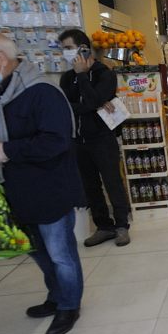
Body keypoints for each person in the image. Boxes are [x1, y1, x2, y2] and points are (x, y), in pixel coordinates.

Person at [0, 29, 85, 334]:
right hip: (14, 189)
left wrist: (6, 150)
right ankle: (56, 295)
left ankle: (69, 305)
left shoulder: (42, 92)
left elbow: (57, 141)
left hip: (49, 187)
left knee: (60, 253)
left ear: (0, 59)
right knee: (37, 251)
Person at [58, 28, 131, 247]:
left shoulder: (104, 74)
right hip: (78, 140)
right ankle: (104, 226)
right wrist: (93, 104)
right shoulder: (66, 78)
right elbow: (67, 108)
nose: (65, 52)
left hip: (102, 138)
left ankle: (121, 226)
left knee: (112, 182)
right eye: (63, 49)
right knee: (90, 186)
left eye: (69, 48)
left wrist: (82, 76)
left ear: (83, 48)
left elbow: (91, 101)